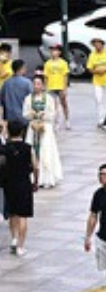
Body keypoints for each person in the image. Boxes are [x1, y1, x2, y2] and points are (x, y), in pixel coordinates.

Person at [2, 121, 37, 257]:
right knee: (23, 215)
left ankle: (14, 238)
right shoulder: (28, 148)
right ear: (22, 132)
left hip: (9, 184)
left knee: (12, 213)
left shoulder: (4, 149)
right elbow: (35, 166)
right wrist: (36, 180)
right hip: (24, 184)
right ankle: (21, 246)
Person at [23, 75, 62, 189]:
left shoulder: (49, 98)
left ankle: (46, 178)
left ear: (43, 85)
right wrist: (32, 115)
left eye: (39, 84)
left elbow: (53, 113)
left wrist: (43, 116)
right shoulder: (28, 98)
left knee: (46, 152)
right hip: (33, 127)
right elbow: (24, 113)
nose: (36, 86)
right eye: (34, 84)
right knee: (32, 152)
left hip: (45, 128)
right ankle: (33, 177)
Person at [87, 37, 106, 129]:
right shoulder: (92, 55)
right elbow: (90, 68)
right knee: (98, 100)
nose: (97, 45)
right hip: (97, 81)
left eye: (99, 43)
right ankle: (101, 119)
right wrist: (96, 72)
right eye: (95, 44)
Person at [42, 44, 70, 130]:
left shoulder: (63, 63)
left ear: (59, 52)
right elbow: (45, 76)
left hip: (60, 86)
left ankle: (67, 119)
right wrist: (45, 87)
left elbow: (65, 76)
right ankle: (56, 122)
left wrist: (65, 88)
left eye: (55, 50)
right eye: (52, 50)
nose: (53, 52)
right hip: (51, 86)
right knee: (54, 106)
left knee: (64, 103)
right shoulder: (47, 63)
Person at [1, 60, 31, 125]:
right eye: (25, 68)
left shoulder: (6, 83)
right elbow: (32, 99)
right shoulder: (27, 83)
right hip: (24, 118)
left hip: (9, 118)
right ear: (21, 69)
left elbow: (1, 101)